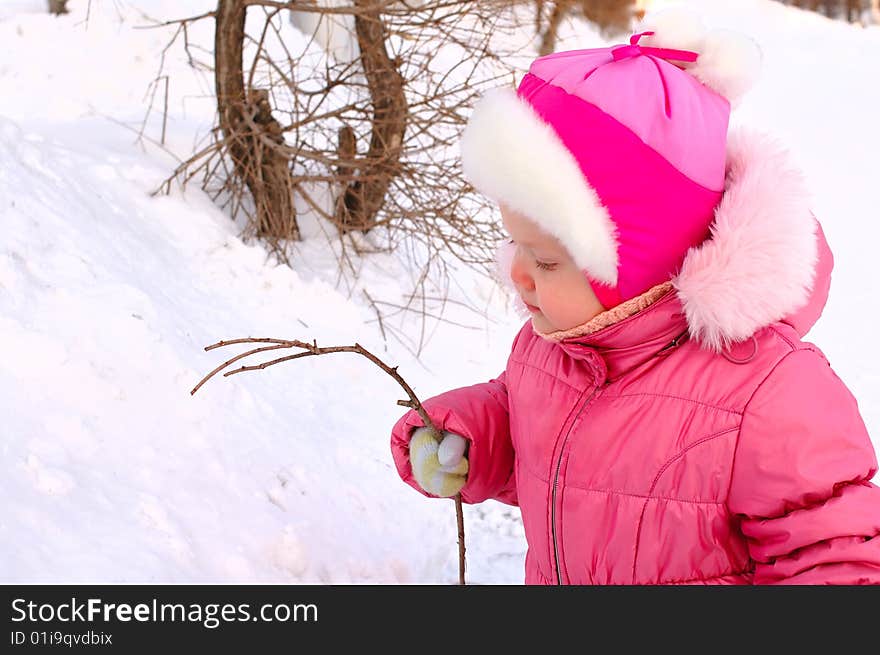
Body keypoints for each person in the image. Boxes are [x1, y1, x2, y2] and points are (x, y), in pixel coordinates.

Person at [390, 9, 880, 584]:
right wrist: (474, 436)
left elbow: (837, 557)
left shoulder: (768, 397)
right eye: (516, 245)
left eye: (547, 259)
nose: (518, 273)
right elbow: (536, 426)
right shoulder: (553, 349)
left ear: (637, 265)